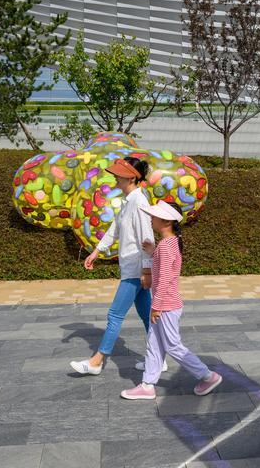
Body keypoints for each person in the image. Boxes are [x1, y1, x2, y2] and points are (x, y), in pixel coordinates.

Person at [70, 156, 164, 375]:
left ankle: (97, 361)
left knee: (114, 315)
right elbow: (115, 229)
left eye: (119, 174)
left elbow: (147, 238)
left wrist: (147, 270)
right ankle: (158, 359)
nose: (115, 178)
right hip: (133, 268)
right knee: (147, 317)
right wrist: (97, 251)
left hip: (135, 270)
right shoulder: (128, 200)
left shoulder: (139, 202)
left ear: (131, 178)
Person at [121, 201, 222, 400]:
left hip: (166, 305)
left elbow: (166, 278)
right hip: (164, 304)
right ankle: (147, 385)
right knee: (154, 344)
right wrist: (153, 251)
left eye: (154, 216)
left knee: (172, 345)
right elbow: (165, 265)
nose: (151, 219)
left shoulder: (166, 246)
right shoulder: (169, 243)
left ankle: (208, 376)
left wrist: (156, 306)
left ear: (166, 221)